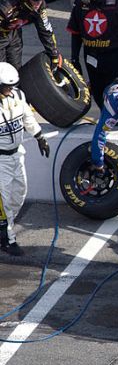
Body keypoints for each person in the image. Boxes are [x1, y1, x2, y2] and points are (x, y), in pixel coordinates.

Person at [0, 62, 49, 256]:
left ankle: (6, 225)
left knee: (19, 194)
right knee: (3, 201)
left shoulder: (19, 95)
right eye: (6, 86)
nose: (10, 89)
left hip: (17, 154)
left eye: (12, 85)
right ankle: (7, 239)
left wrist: (40, 137)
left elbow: (28, 117)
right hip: (0, 160)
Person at [0, 0, 62, 70]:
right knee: (2, 73)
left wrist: (54, 54)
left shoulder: (40, 6)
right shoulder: (6, 8)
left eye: (40, 0)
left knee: (16, 70)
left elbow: (45, 30)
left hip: (14, 34)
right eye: (35, 0)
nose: (38, 4)